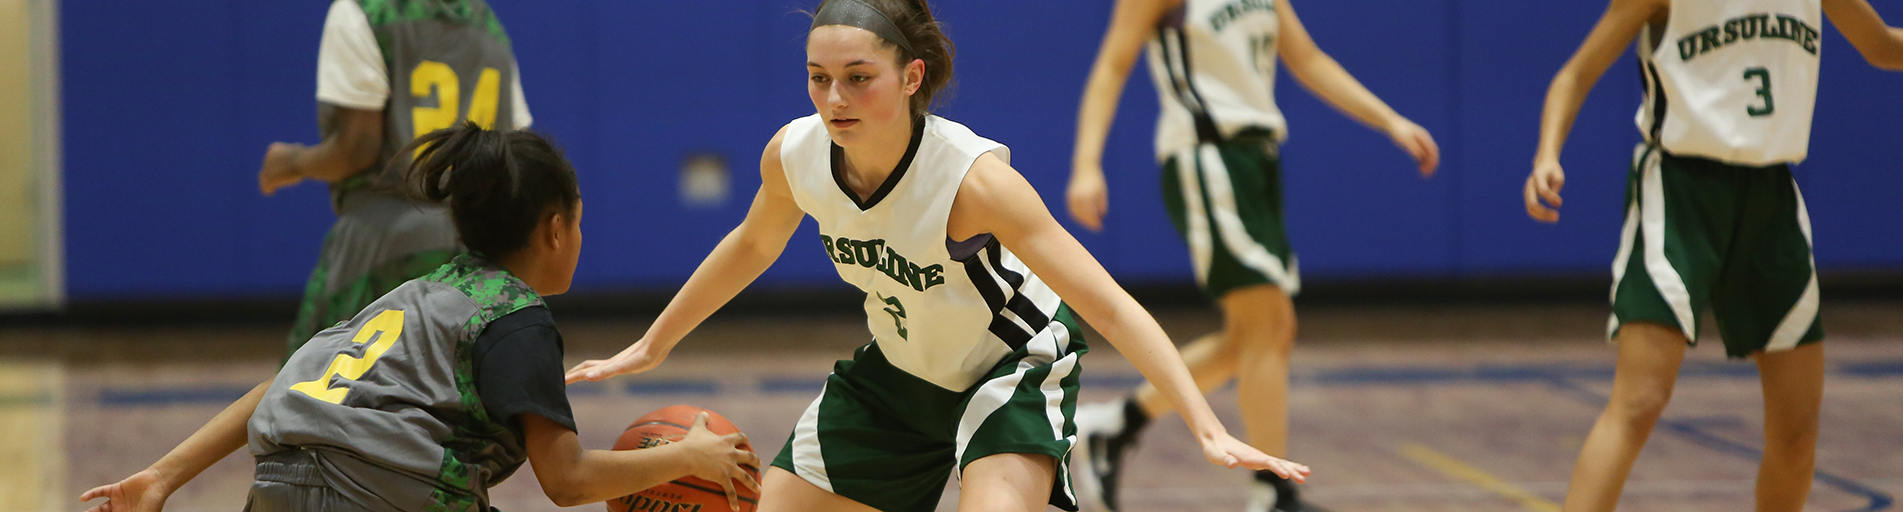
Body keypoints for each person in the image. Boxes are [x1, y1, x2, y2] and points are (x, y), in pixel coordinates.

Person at [562, 1, 1310, 511]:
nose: (833, 100)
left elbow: (1106, 303)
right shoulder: (795, 154)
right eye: (819, 79)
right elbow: (751, 244)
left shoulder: (974, 180)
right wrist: (651, 345)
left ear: (910, 76)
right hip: (897, 372)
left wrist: (1204, 423)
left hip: (1010, 368)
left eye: (858, 78)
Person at [79, 123, 761, 512]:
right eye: (579, 223)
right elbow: (567, 480)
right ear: (556, 229)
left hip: (278, 489)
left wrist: (163, 476)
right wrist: (688, 457)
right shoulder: (515, 318)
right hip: (384, 496)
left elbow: (285, 384)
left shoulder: (419, 294)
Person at [1524, 0, 1903, 510]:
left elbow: (1880, 45)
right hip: (1681, 191)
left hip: (1770, 196)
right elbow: (1574, 74)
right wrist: (1547, 154)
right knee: (1639, 402)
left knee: (1797, 433)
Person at [1062, 0, 1439, 509]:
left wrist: (1389, 120)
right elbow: (1112, 63)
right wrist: (1087, 163)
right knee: (1270, 324)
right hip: (1208, 157)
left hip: (1258, 160)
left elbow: (1308, 59)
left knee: (1252, 336)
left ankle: (1117, 426)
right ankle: (1271, 493)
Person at [259, 0, 536, 356]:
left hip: (385, 244)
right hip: (476, 249)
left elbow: (356, 148)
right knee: (461, 397)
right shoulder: (487, 24)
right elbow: (516, 144)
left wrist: (292, 162)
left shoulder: (365, 10)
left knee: (311, 393)